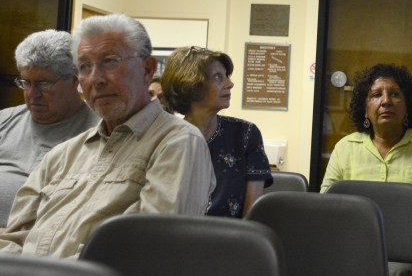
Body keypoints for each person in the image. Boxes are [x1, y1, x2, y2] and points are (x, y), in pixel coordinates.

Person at [0, 14, 215, 258]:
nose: (95, 79)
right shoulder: (63, 155)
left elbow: (150, 249)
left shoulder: (178, 142)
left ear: (147, 70)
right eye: (84, 67)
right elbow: (12, 239)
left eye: (110, 61)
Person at [320, 64, 412, 240]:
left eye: (395, 94)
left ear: (407, 107)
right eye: (376, 95)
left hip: (410, 246)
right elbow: (326, 204)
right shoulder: (345, 148)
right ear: (365, 110)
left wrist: (408, 239)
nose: (386, 101)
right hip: (353, 241)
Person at [0, 30, 99, 229]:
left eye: (43, 84)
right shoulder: (5, 121)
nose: (32, 94)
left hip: (49, 247)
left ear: (75, 80)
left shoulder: (100, 130)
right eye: (25, 82)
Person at [161, 46, 272, 219]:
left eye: (226, 76)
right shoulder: (166, 138)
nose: (230, 84)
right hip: (179, 238)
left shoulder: (246, 134)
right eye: (218, 77)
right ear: (192, 86)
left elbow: (252, 216)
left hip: (232, 241)